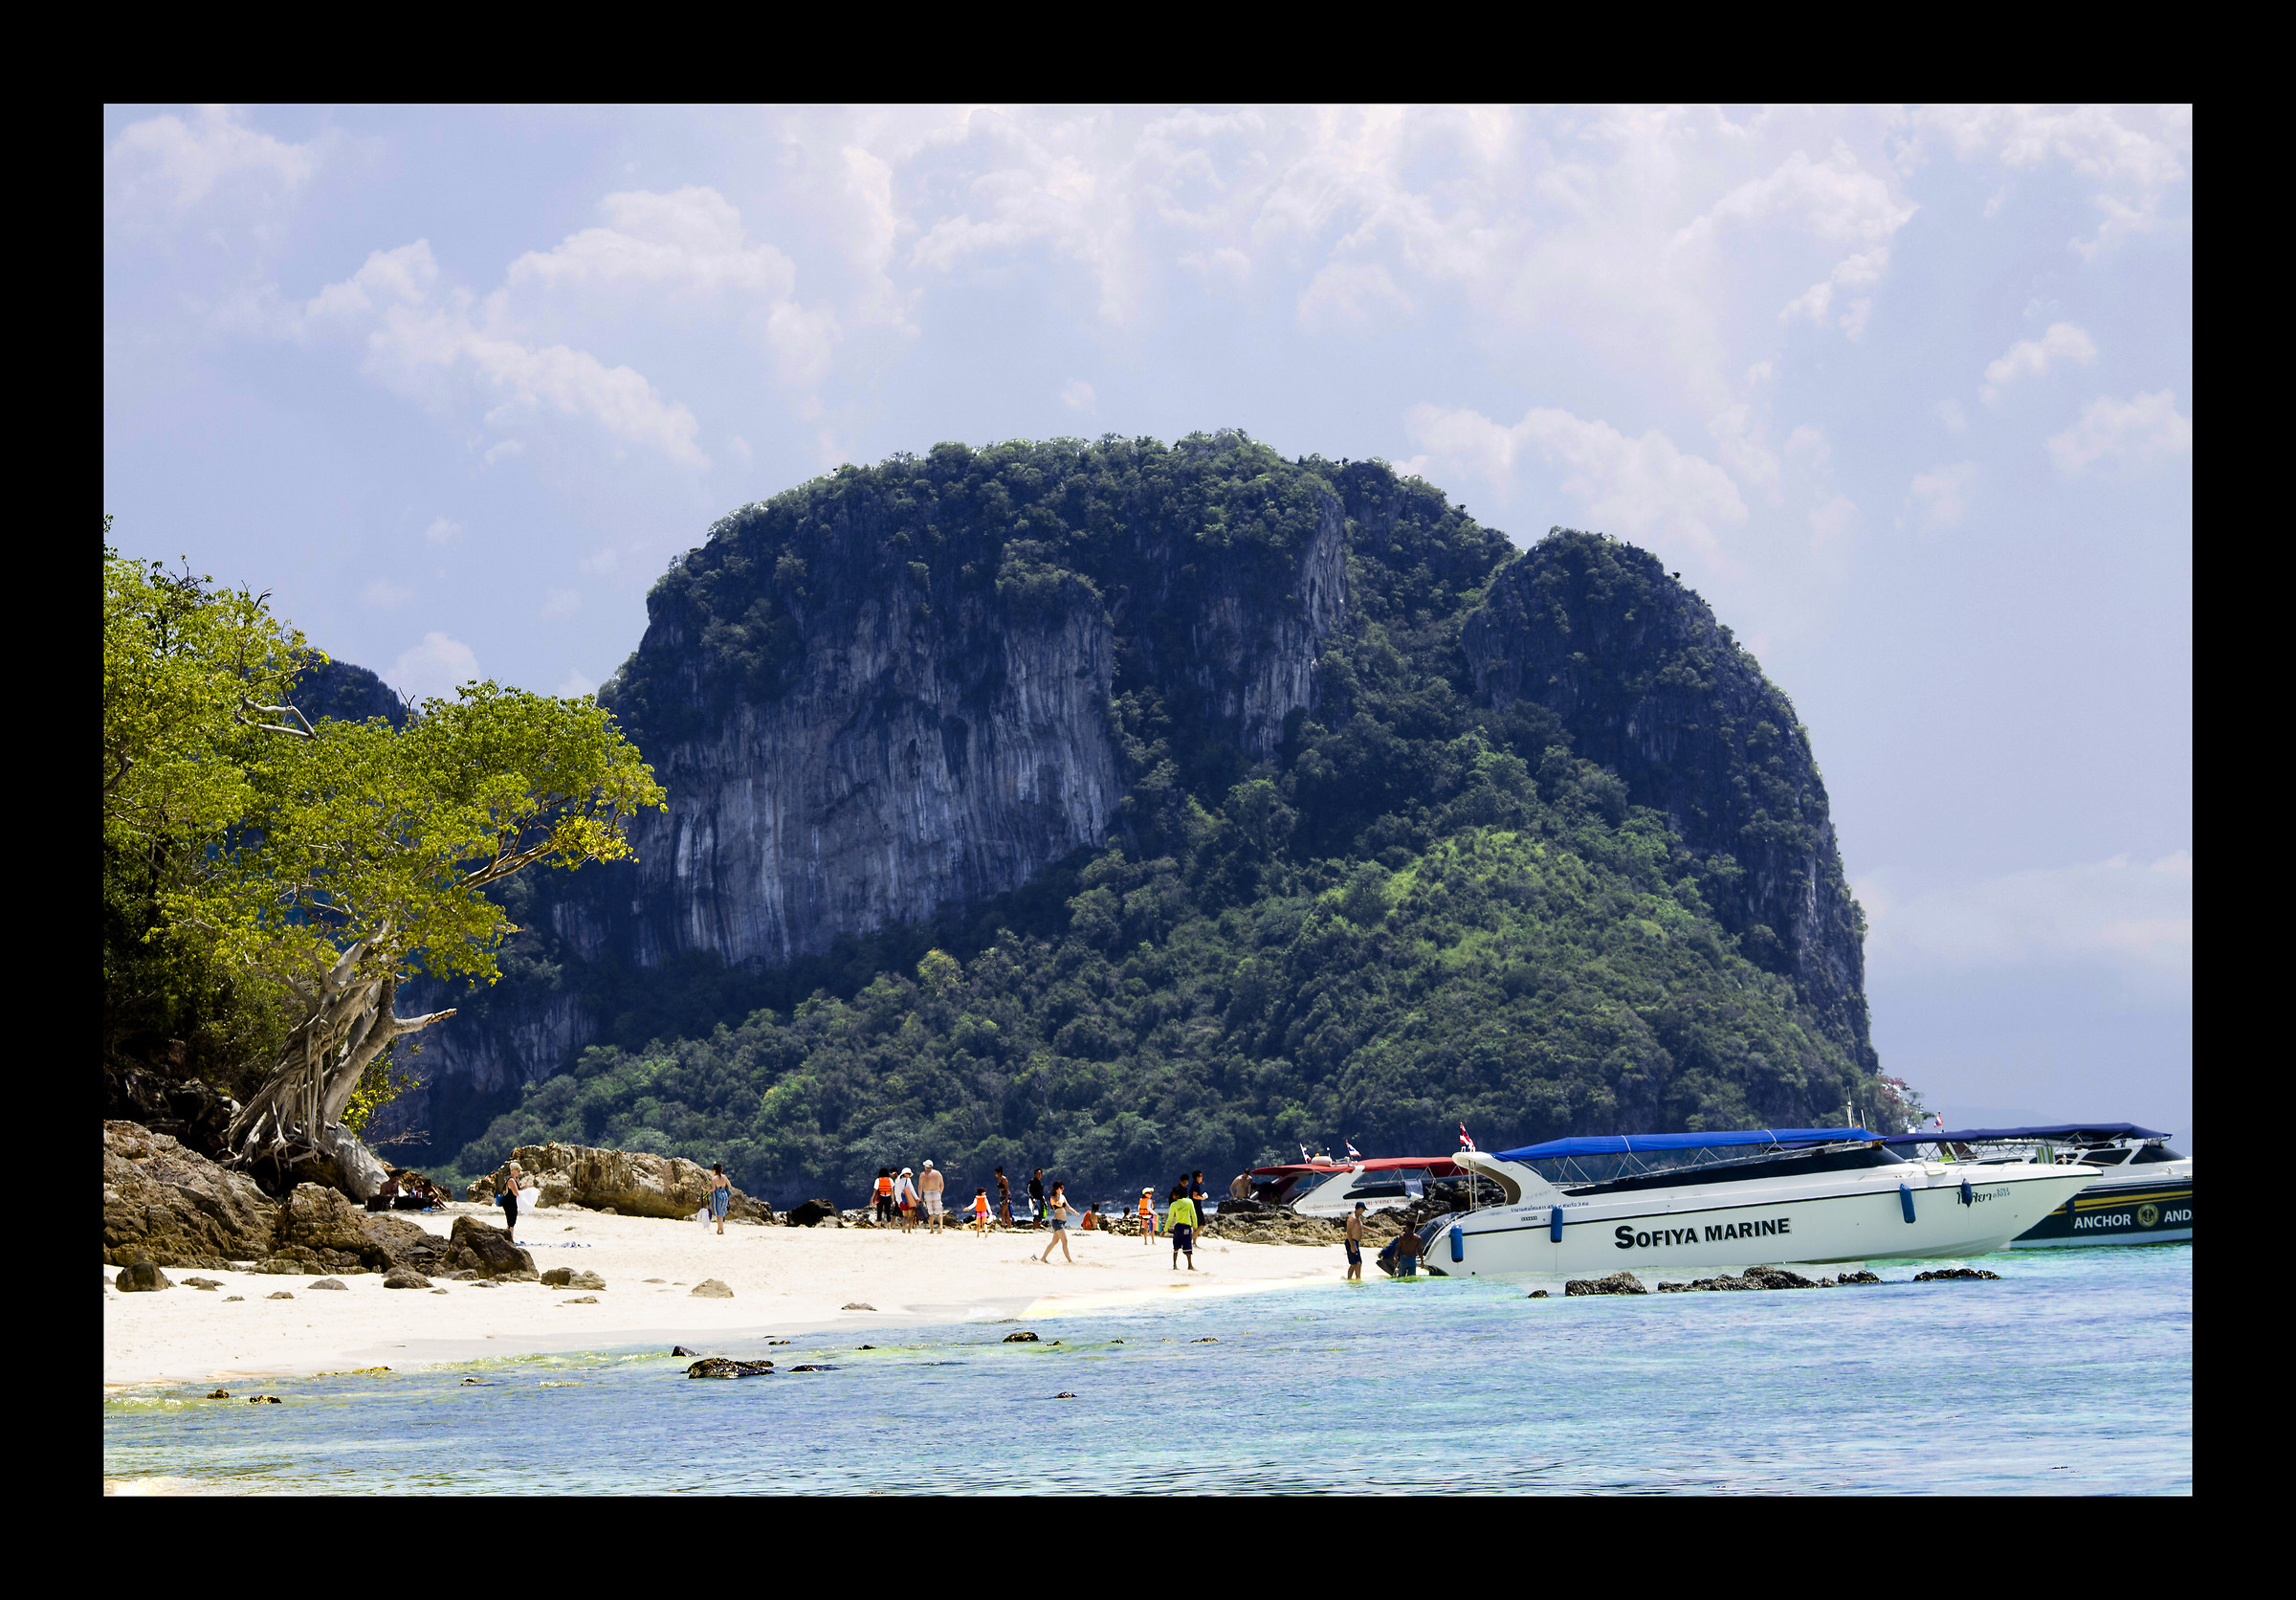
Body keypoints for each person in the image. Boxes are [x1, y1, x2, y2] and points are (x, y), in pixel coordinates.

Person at [1039, 1183, 1078, 1262]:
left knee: (1054, 1241)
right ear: (1057, 1189)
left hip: (1062, 1222)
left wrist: (1075, 1212)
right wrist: (1060, 1195)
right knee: (1065, 1240)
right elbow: (1059, 1203)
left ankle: (1043, 1258)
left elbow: (1068, 1207)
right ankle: (1070, 1260)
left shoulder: (1062, 1197)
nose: (1063, 1189)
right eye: (1061, 1188)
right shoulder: (1053, 1198)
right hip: (1057, 1222)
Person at [1167, 1184, 1198, 1271]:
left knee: (1176, 1247)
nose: (1172, 1196)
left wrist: (1165, 1229)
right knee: (1188, 1245)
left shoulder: (1173, 1204)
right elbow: (1194, 1215)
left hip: (1178, 1227)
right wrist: (1195, 1226)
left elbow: (1170, 1218)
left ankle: (1174, 1265)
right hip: (1187, 1227)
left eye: (1174, 1194)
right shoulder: (1189, 1202)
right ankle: (1190, 1265)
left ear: (1177, 1195)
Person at [497, 1162, 524, 1241]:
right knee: (511, 1222)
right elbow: (516, 1193)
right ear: (513, 1170)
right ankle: (510, 1239)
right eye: (517, 1170)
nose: (519, 1172)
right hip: (509, 1203)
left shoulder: (514, 1180)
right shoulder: (511, 1180)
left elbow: (519, 1189)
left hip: (511, 1202)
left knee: (510, 1222)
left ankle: (508, 1238)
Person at [920, 1160, 946, 1234]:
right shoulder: (938, 1173)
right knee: (939, 1212)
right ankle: (940, 1226)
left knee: (930, 1213)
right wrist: (939, 1193)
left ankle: (931, 1229)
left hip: (927, 1193)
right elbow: (942, 1185)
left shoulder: (923, 1174)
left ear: (926, 1167)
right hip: (936, 1193)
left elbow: (920, 1186)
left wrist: (920, 1196)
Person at [1344, 1201, 1368, 1280]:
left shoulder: (1357, 1218)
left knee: (1357, 1263)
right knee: (1355, 1263)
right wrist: (1352, 1245)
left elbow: (1362, 1227)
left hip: (1355, 1242)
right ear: (1359, 1208)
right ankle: (1351, 1279)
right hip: (1351, 1241)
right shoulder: (1353, 1218)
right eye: (1363, 1209)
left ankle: (1356, 1278)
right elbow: (1348, 1232)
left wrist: (1375, 1231)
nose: (1363, 1211)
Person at [707, 1163, 733, 1235]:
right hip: (724, 1196)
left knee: (718, 1215)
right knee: (722, 1214)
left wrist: (705, 1190)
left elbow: (713, 1189)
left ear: (715, 1170)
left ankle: (721, 1230)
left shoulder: (713, 1178)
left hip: (717, 1197)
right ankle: (719, 1229)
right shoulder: (724, 1177)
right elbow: (729, 1185)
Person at [894, 1167, 919, 1234]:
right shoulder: (907, 1180)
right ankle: (909, 1230)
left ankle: (903, 1227)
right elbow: (912, 1190)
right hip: (909, 1200)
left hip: (902, 1201)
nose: (909, 1176)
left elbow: (896, 1192)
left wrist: (899, 1201)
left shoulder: (897, 1181)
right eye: (909, 1174)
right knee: (911, 1216)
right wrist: (916, 1198)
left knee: (905, 1216)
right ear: (906, 1174)